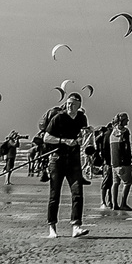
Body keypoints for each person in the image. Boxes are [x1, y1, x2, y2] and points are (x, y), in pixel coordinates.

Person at [36, 94, 90, 238]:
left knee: (78, 193)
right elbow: (46, 138)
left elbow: (82, 135)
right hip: (57, 160)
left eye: (72, 104)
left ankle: (76, 226)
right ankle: (52, 227)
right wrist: (64, 141)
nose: (69, 106)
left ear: (79, 105)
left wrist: (82, 137)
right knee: (55, 195)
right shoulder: (58, 118)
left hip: (74, 160)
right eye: (67, 103)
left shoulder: (81, 118)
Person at [107, 112, 132, 212]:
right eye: (126, 119)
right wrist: (128, 160)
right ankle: (123, 204)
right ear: (121, 121)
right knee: (127, 183)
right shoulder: (124, 132)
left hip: (114, 163)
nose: (128, 121)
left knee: (115, 183)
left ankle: (114, 204)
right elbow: (125, 148)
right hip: (123, 163)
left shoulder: (112, 132)